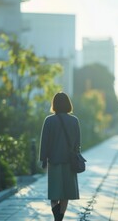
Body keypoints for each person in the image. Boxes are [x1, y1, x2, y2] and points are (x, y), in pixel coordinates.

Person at [39, 92, 81, 221]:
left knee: (54, 194)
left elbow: (44, 142)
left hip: (54, 162)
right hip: (69, 162)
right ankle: (60, 218)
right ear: (68, 104)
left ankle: (56, 217)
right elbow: (77, 143)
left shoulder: (49, 120)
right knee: (66, 194)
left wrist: (43, 160)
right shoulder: (74, 120)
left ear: (54, 105)